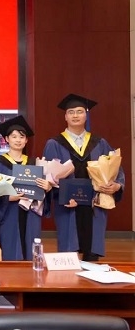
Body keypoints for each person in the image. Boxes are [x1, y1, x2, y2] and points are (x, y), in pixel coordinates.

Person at [43, 94, 124, 261]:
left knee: (91, 253)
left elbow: (116, 169)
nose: (75, 115)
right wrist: (61, 196)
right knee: (69, 255)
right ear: (65, 116)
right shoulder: (54, 143)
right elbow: (49, 177)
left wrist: (116, 185)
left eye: (79, 111)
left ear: (86, 115)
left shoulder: (99, 143)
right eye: (71, 112)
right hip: (68, 206)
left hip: (94, 204)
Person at [0, 115, 52, 261]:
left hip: (31, 214)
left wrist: (48, 188)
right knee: (11, 250)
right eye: (14, 136)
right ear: (7, 139)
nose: (18, 140)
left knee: (32, 249)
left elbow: (43, 193)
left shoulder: (35, 163)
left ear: (26, 140)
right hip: (9, 214)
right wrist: (8, 197)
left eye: (21, 137)